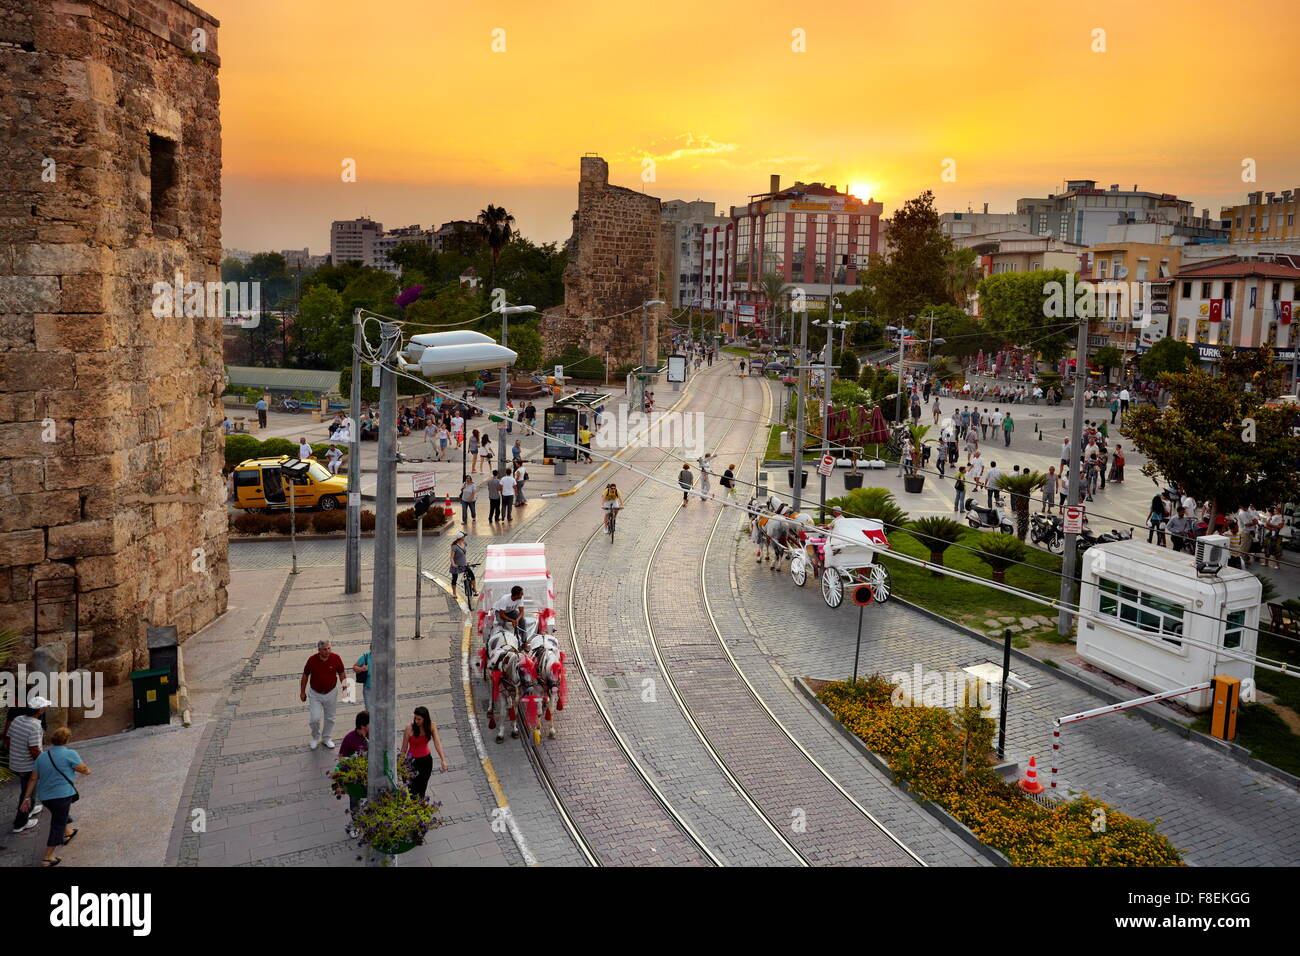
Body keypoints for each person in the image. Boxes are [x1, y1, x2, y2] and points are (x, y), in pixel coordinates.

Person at [17, 726, 89, 866]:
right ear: (67, 740)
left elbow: (33, 779)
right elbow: (83, 769)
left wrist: (26, 797)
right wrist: (87, 770)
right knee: (57, 823)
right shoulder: (70, 753)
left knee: (58, 814)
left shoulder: (42, 757)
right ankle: (48, 857)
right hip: (62, 796)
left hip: (45, 797)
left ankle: (68, 832)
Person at [6, 696, 50, 835]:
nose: (45, 708)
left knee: (29, 789)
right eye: (44, 707)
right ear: (40, 710)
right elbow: (34, 750)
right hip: (28, 766)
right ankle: (20, 823)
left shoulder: (18, 719)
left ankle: (30, 809)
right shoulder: (35, 726)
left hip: (16, 762)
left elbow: (9, 738)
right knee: (26, 792)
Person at [300, 640, 346, 750]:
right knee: (314, 719)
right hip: (315, 694)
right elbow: (305, 675)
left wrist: (345, 688)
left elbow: (341, 673)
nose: (328, 651)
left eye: (329, 648)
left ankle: (326, 738)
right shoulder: (312, 660)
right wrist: (302, 692)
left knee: (330, 718)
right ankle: (315, 737)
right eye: (325, 649)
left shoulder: (336, 658)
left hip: (331, 692)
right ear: (319, 650)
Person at [400, 706, 447, 801]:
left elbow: (437, 742)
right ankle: (416, 808)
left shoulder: (431, 726)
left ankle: (420, 807)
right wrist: (400, 764)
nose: (416, 721)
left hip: (426, 761)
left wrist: (443, 760)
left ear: (425, 718)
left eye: (419, 719)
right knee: (412, 789)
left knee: (422, 787)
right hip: (411, 762)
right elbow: (404, 748)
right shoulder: (409, 728)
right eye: (415, 718)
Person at [339, 711, 369, 836]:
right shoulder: (349, 738)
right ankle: (356, 825)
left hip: (370, 775)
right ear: (363, 726)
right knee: (355, 801)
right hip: (355, 777)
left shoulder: (373, 735)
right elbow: (341, 758)